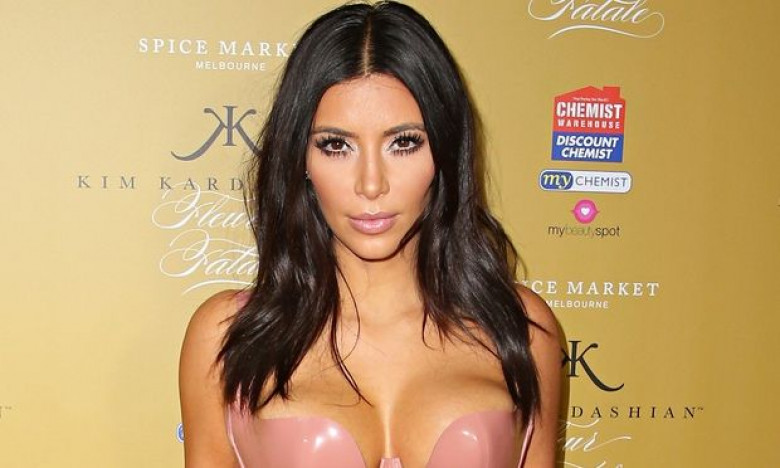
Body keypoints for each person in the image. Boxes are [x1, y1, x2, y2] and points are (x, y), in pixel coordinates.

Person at [179, 1, 561, 467]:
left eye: (404, 142)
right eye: (336, 145)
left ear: (444, 148)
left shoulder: (521, 329)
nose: (371, 184)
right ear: (300, 157)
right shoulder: (225, 337)